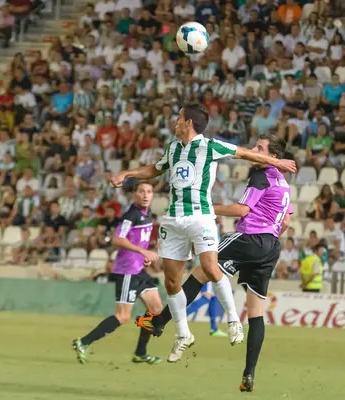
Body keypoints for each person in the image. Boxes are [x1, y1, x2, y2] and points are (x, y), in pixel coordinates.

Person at [110, 104, 297, 363]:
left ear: (188, 123)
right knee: (172, 281)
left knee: (209, 266)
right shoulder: (173, 148)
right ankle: (183, 334)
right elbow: (154, 169)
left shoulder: (210, 146)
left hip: (201, 216)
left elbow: (243, 153)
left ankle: (233, 320)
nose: (174, 121)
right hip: (174, 219)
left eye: (178, 117)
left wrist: (277, 162)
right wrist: (128, 173)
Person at [135, 134, 292, 392]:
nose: (254, 150)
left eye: (260, 148)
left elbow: (243, 210)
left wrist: (206, 207)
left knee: (201, 272)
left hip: (250, 239)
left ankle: (160, 321)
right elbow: (285, 222)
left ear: (272, 157)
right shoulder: (282, 182)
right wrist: (266, 243)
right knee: (256, 314)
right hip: (272, 246)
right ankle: (248, 375)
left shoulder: (260, 176)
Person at [72, 182, 163, 365]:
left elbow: (139, 241)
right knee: (122, 316)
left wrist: (143, 256)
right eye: (141, 191)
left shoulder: (147, 215)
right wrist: (143, 252)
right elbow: (117, 239)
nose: (146, 195)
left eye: (149, 191)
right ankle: (83, 342)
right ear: (134, 195)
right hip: (127, 270)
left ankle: (140, 352)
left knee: (156, 310)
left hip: (139, 270)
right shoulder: (131, 215)